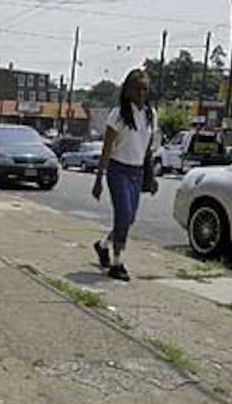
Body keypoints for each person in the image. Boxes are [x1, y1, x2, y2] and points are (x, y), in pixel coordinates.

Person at [92, 68, 159, 281]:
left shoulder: (150, 115)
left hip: (137, 172)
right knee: (122, 215)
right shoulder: (119, 114)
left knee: (129, 219)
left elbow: (148, 148)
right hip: (118, 169)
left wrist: (152, 176)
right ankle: (117, 263)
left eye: (145, 89)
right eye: (137, 89)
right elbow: (107, 148)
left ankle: (103, 245)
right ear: (128, 90)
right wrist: (99, 178)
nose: (141, 94)